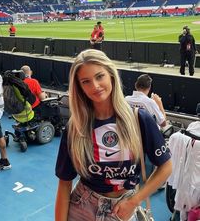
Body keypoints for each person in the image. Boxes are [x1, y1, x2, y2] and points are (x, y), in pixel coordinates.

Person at [55, 49, 172, 221]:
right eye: (86, 81)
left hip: (123, 208)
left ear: (111, 74)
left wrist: (134, 201)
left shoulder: (138, 118)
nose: (95, 86)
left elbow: (166, 167)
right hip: (82, 206)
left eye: (99, 76)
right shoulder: (75, 127)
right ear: (79, 87)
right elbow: (65, 183)